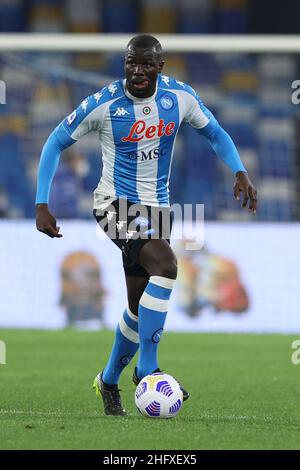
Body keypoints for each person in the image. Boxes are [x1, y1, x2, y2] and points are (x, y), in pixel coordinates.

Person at [35, 34, 257, 416]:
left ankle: (106, 381)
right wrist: (42, 202)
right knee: (166, 266)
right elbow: (55, 142)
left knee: (139, 312)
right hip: (114, 205)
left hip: (157, 212)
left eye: (145, 64)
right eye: (130, 63)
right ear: (125, 64)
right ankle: (147, 370)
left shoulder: (180, 98)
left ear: (160, 67)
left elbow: (216, 134)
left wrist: (239, 171)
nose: (137, 71)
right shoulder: (104, 104)